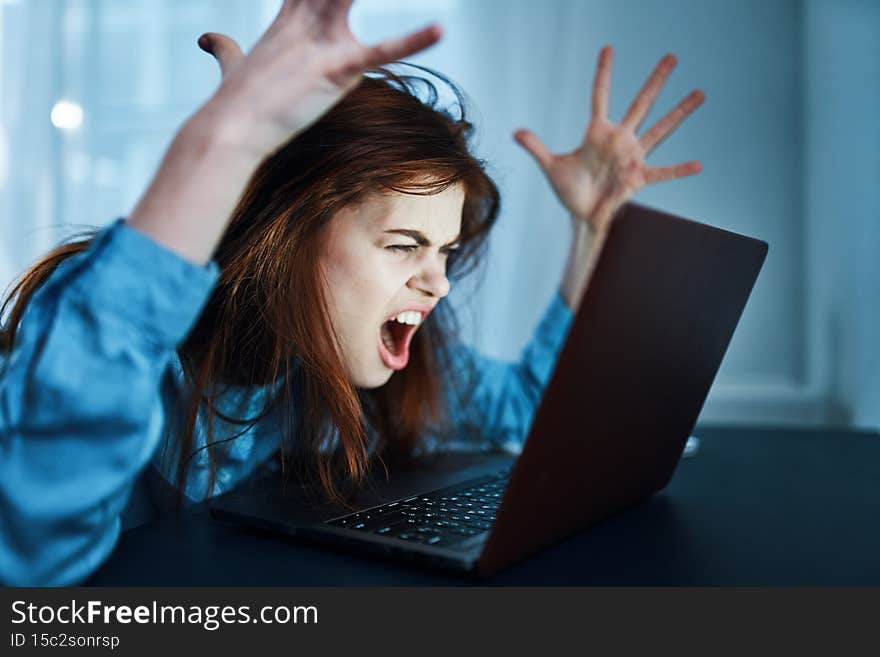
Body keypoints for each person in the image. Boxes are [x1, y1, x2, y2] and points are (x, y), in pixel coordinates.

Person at [0, 0, 704, 586]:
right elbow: (31, 549)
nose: (437, 281)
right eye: (404, 245)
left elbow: (521, 412)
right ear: (289, 236)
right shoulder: (118, 351)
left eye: (446, 251)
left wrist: (592, 234)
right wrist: (226, 142)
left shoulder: (361, 356)